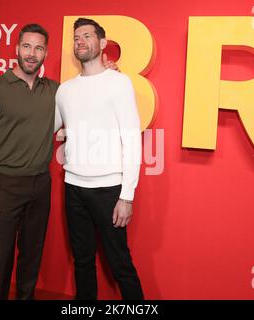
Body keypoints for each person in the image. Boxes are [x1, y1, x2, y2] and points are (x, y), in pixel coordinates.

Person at [0, 23, 118, 300]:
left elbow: (84, 93)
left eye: (38, 48)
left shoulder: (55, 91)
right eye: (26, 46)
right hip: (6, 186)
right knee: (1, 259)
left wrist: (106, 75)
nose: (31, 53)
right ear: (16, 49)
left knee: (31, 257)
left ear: (45, 54)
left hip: (41, 185)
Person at [55, 18, 144, 300]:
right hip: (72, 188)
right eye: (76, 37)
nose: (80, 41)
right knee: (82, 262)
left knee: (120, 265)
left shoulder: (119, 83)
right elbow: (47, 127)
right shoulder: (64, 90)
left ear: (102, 43)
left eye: (87, 36)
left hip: (109, 190)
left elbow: (132, 139)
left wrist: (126, 196)